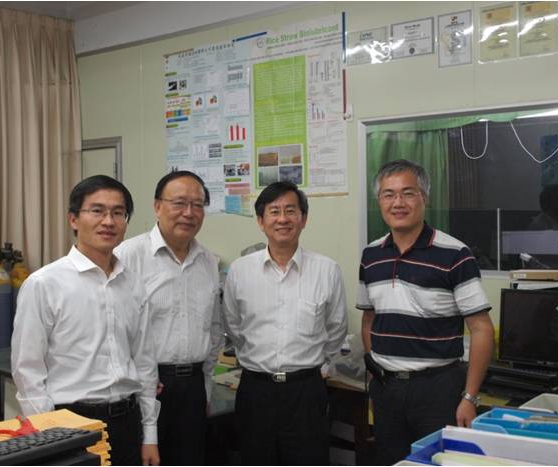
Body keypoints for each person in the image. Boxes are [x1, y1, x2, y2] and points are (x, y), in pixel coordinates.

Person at [11, 175, 160, 466]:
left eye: (118, 213)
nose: (108, 221)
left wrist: (150, 434)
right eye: (97, 211)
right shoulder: (44, 283)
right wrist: (49, 436)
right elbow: (27, 369)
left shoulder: (133, 283)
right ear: (74, 219)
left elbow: (144, 362)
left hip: (128, 422)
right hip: (70, 422)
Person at [358, 159, 494, 465]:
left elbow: (482, 329)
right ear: (379, 201)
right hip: (387, 389)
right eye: (388, 194)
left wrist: (470, 397)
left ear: (425, 197)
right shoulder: (371, 255)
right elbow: (369, 319)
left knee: (438, 461)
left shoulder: (455, 254)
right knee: (392, 461)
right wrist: (376, 373)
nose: (398, 203)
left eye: (408, 193)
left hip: (438, 389)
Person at [223, 181, 348, 465]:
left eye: (290, 211)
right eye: (274, 211)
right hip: (256, 390)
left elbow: (336, 327)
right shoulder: (240, 271)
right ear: (260, 221)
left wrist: (321, 366)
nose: (283, 219)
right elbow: (233, 326)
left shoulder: (326, 270)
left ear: (303, 219)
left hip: (306, 392)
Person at [115, 170, 223, 465]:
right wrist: (134, 380)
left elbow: (213, 330)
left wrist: (205, 388)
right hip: (145, 386)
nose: (189, 213)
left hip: (192, 388)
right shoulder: (127, 256)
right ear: (157, 206)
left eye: (197, 205)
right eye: (179, 203)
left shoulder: (208, 261)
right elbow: (112, 329)